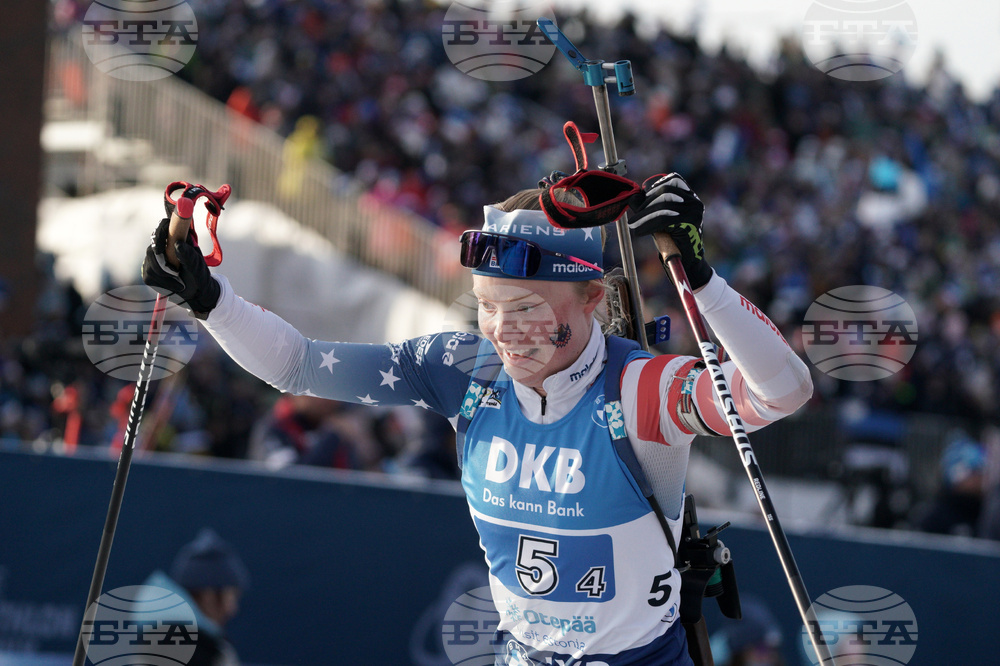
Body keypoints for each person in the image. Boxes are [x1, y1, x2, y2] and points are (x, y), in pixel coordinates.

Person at [142, 174, 813, 665]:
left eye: (525, 308)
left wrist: (700, 277)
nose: (503, 331)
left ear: (591, 298)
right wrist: (209, 298)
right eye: (488, 307)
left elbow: (781, 393)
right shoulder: (466, 369)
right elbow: (299, 367)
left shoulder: (636, 389)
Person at [142, 528, 249, 666]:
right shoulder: (208, 654)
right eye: (231, 597)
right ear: (208, 596)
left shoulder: (149, 643)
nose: (233, 609)